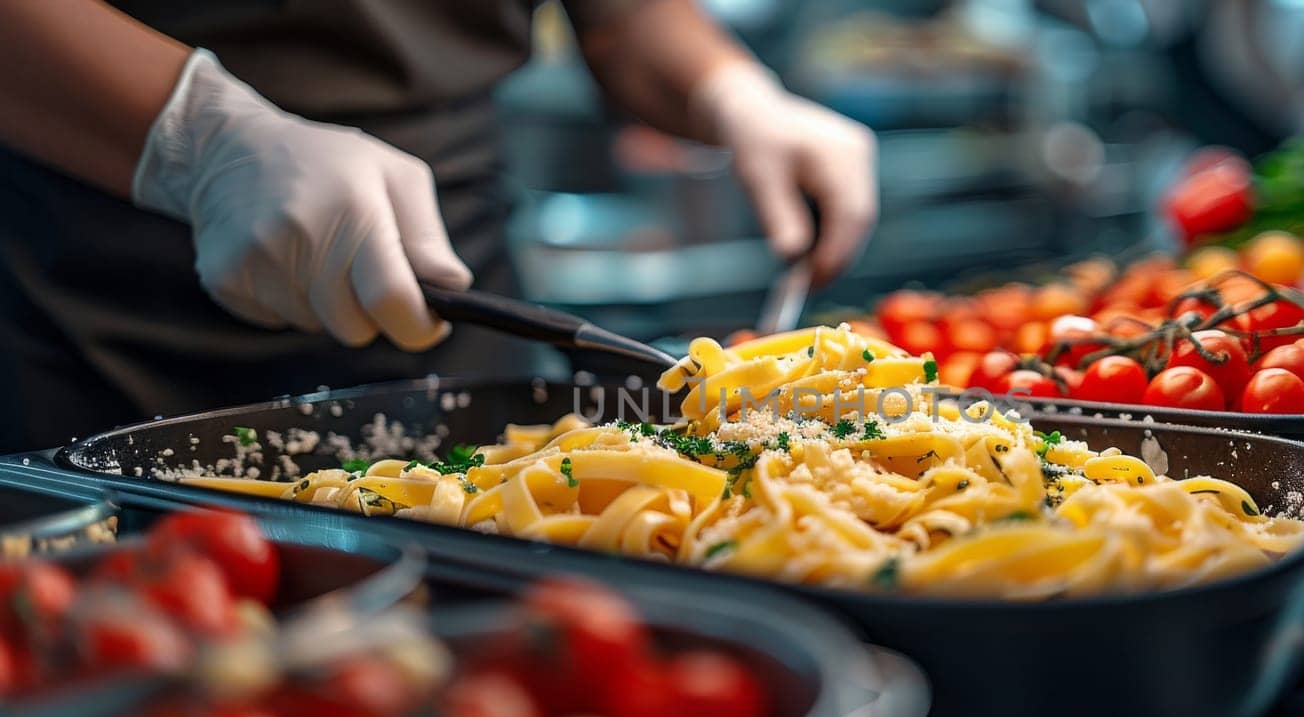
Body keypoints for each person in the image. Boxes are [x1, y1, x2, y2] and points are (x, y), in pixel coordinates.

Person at [0, 0, 877, 452]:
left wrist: (732, 92)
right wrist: (195, 137)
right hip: (93, 296)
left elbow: (624, 21)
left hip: (461, 298)